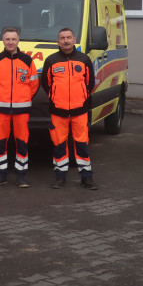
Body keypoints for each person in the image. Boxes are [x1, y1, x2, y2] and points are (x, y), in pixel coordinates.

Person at [41, 27, 97, 190]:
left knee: (82, 145)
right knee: (59, 145)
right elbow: (46, 84)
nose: (66, 40)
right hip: (58, 112)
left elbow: (90, 83)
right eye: (62, 38)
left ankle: (87, 178)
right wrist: (56, 97)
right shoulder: (51, 60)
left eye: (69, 37)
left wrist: (81, 98)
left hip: (80, 111)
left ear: (74, 40)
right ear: (58, 41)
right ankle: (60, 177)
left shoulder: (84, 59)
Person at [0, 27, 39, 188]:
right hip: (0, 110)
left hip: (22, 110)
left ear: (18, 40)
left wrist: (25, 97)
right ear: (3, 40)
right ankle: (0, 175)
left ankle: (21, 176)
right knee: (0, 143)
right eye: (7, 39)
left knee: (22, 142)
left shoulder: (28, 61)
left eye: (13, 39)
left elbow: (34, 84)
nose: (10, 42)